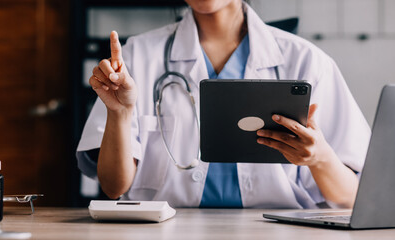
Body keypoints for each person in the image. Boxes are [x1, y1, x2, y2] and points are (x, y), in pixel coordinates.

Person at [77, 0, 371, 209]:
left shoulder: (307, 60)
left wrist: (318, 158)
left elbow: (351, 198)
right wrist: (121, 113)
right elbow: (114, 187)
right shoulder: (138, 55)